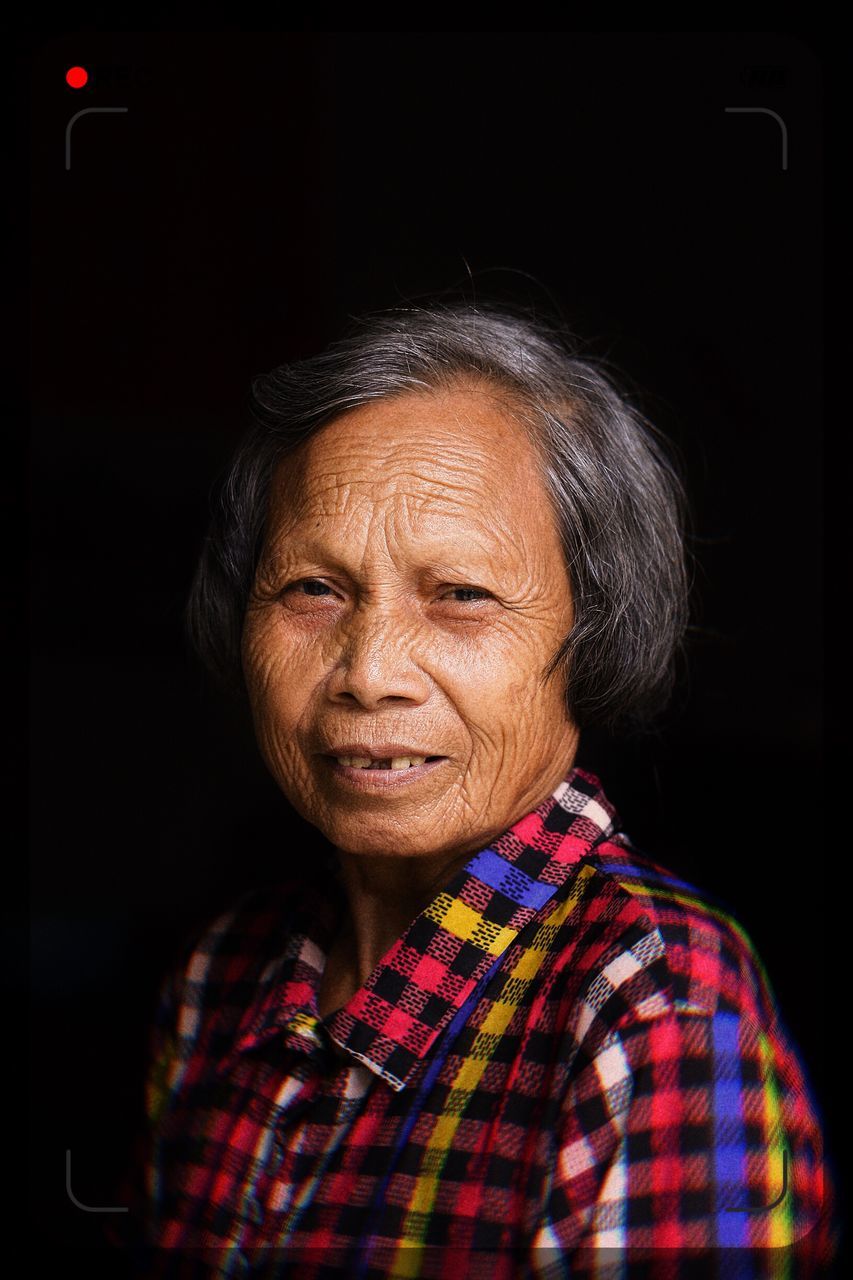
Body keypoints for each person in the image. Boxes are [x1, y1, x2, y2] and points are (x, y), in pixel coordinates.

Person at [113, 301, 836, 1278]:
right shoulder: (220, 976)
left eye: (459, 594)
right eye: (310, 588)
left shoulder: (657, 1006)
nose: (369, 670)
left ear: (593, 632)